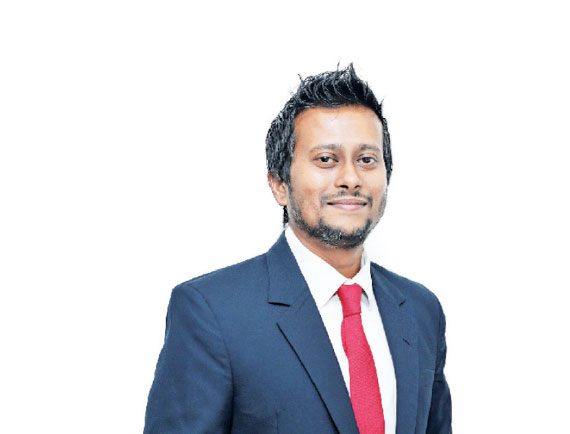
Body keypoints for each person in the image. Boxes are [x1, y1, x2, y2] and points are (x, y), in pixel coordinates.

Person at [144, 64, 452, 434]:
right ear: (279, 183)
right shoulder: (212, 312)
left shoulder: (420, 310)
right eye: (326, 159)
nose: (350, 178)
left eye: (367, 160)